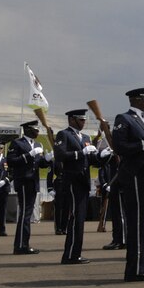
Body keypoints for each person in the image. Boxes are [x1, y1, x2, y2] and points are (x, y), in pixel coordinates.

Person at [112, 87, 144, 282]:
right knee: (137, 223)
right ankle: (135, 270)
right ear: (136, 100)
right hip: (133, 176)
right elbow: (120, 146)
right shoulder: (124, 119)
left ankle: (142, 267)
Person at [55, 109, 102, 265]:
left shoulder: (86, 137)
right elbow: (60, 155)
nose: (83, 122)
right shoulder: (64, 135)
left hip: (83, 182)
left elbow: (92, 160)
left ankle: (75, 253)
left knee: (80, 219)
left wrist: (102, 155)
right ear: (72, 120)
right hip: (73, 181)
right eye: (81, 120)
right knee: (75, 218)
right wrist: (81, 152)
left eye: (84, 120)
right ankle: (69, 255)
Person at [7, 120, 51, 254]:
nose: (37, 131)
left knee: (28, 214)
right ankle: (21, 246)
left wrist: (48, 158)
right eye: (35, 129)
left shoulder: (38, 144)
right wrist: (28, 155)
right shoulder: (17, 143)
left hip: (33, 182)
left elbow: (40, 164)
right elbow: (11, 161)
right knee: (25, 215)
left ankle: (23, 244)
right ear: (27, 129)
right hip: (24, 182)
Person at [98, 138, 127, 250]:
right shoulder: (115, 152)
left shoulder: (122, 150)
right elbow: (102, 162)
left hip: (120, 185)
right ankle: (117, 239)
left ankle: (122, 240)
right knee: (116, 214)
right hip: (115, 185)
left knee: (120, 214)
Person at [47, 161, 68, 235]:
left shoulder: (69, 159)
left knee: (67, 207)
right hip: (59, 184)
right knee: (58, 208)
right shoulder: (55, 161)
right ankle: (58, 228)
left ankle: (64, 227)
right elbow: (50, 174)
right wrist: (49, 188)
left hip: (68, 184)